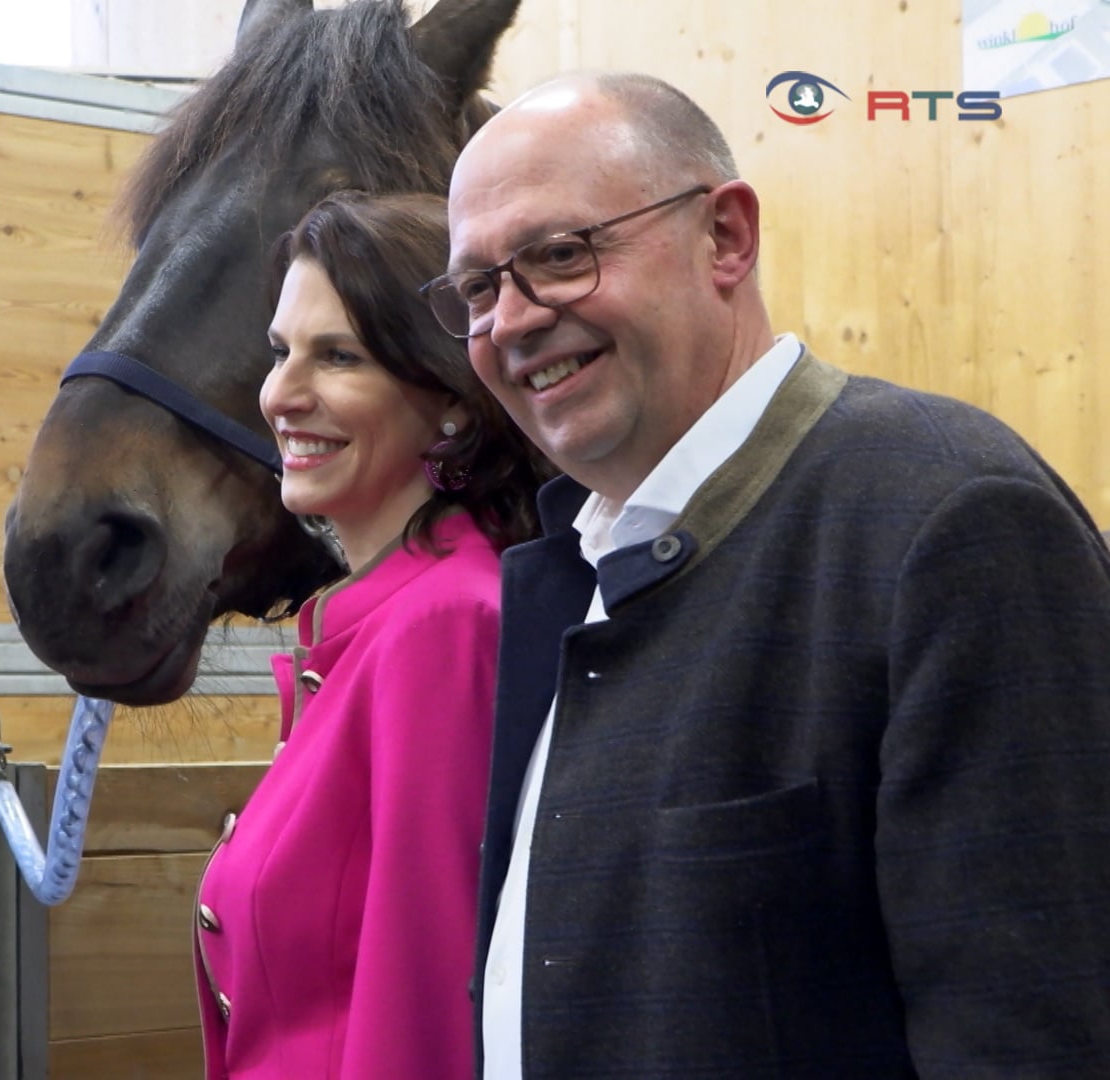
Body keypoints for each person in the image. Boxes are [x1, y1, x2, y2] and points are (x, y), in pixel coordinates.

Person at [433, 72, 1110, 1077]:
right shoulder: (569, 573)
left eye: (561, 255)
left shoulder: (948, 523)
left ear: (728, 238)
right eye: (480, 287)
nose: (512, 320)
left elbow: (1032, 1038)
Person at [193, 192, 545, 1079]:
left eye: (338, 356)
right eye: (281, 353)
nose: (281, 394)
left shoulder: (446, 625)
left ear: (452, 402)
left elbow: (426, 999)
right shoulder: (378, 622)